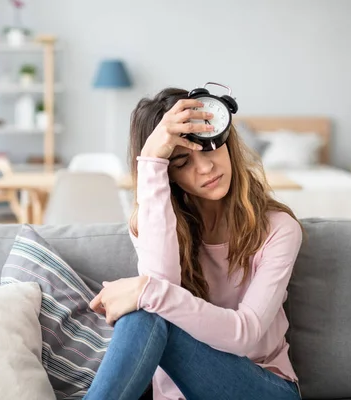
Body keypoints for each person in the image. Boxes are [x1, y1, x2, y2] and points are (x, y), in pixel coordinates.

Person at [85, 87, 303, 400]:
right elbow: (160, 294)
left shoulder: (278, 229)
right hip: (180, 393)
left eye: (211, 147)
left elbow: (247, 333)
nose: (206, 167)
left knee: (147, 302)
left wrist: (146, 291)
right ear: (167, 173)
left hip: (262, 387)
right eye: (182, 161)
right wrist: (150, 162)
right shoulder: (151, 222)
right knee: (146, 310)